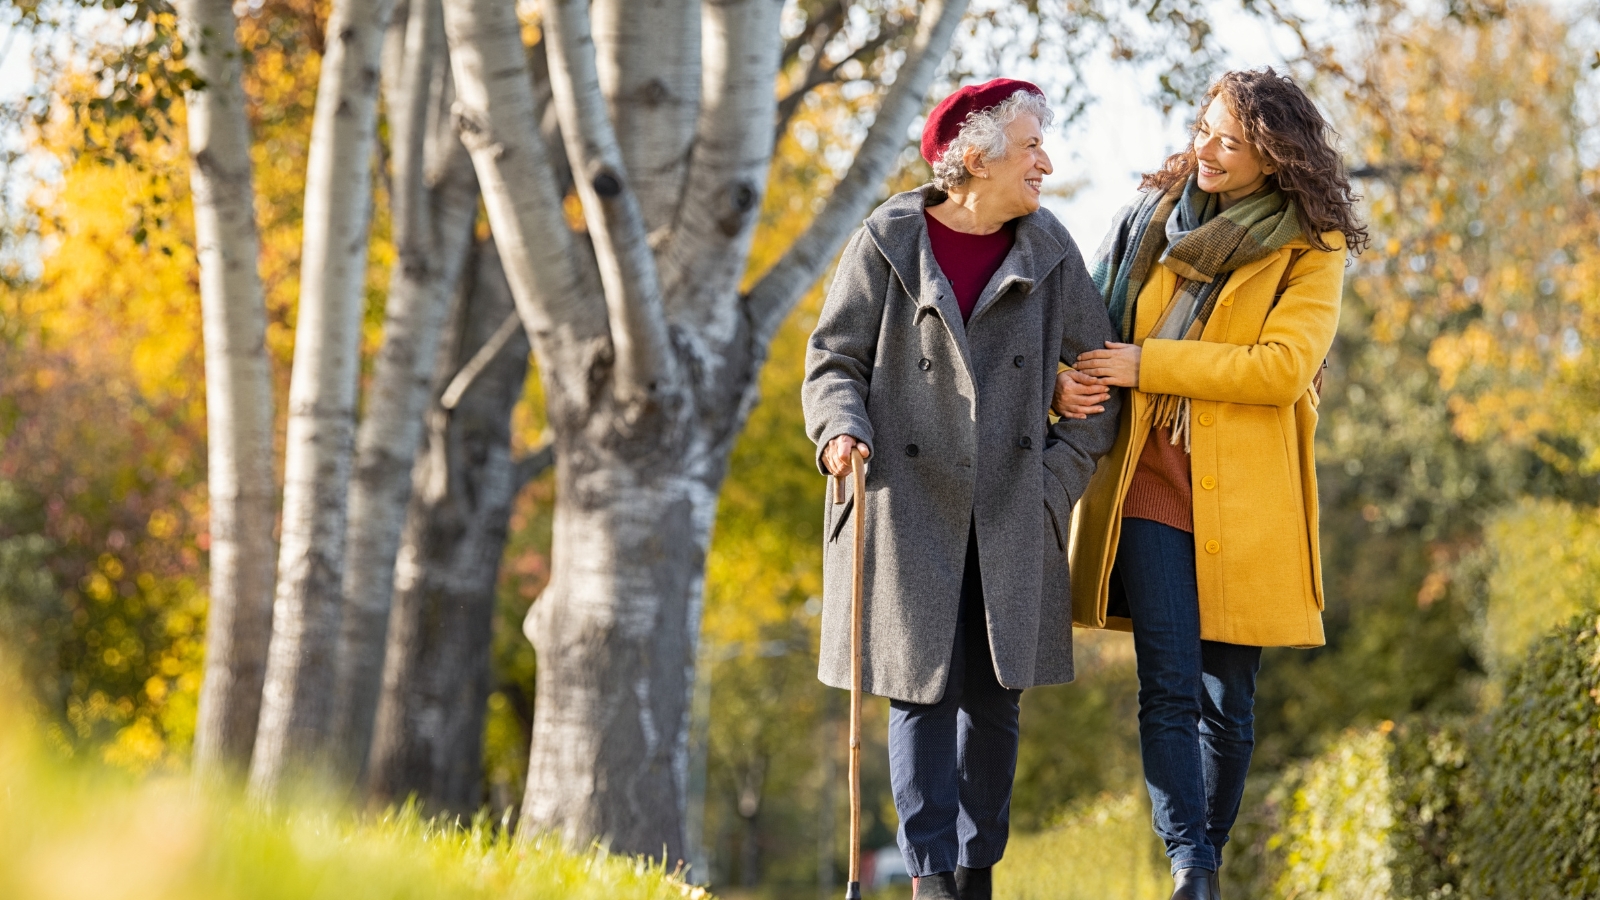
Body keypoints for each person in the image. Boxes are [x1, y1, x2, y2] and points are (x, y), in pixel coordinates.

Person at [1052, 68, 1369, 900]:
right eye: (1203, 129)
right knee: (1168, 683)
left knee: (1229, 701)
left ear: (1273, 157)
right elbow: (1087, 318)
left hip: (1250, 496)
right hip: (1150, 479)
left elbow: (1280, 368)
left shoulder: (1312, 249)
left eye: (1229, 141)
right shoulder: (1152, 219)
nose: (1206, 150)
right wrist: (1066, 378)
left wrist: (1151, 363)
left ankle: (1206, 866)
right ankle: (1189, 865)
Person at [802, 79, 1121, 900]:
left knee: (995, 703)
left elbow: (1100, 381)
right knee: (920, 695)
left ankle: (978, 872)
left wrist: (1053, 484)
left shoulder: (1049, 248)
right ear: (974, 160)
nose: (1046, 164)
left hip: (1013, 508)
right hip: (907, 507)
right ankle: (931, 880)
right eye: (1031, 149)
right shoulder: (887, 241)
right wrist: (841, 429)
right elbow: (834, 361)